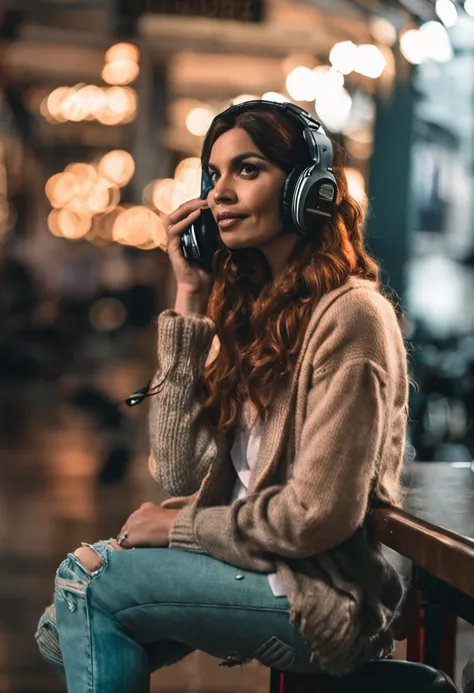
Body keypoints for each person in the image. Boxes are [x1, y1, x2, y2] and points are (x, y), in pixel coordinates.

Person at [35, 101, 409, 692]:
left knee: (85, 586)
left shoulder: (353, 317)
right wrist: (188, 298)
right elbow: (178, 467)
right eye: (214, 175)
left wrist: (179, 529)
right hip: (249, 567)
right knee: (58, 630)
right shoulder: (254, 311)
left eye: (248, 170)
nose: (219, 195)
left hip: (316, 598)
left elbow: (315, 517)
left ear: (307, 190)